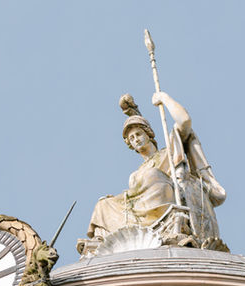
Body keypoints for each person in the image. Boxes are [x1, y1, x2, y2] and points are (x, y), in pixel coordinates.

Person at [86, 92, 226, 246]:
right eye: (131, 139)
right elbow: (136, 197)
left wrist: (164, 98)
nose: (136, 139)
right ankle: (102, 241)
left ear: (148, 134)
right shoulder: (136, 174)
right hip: (141, 208)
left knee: (152, 174)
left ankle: (172, 225)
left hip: (167, 196)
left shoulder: (168, 152)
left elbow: (184, 121)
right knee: (103, 204)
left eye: (138, 134)